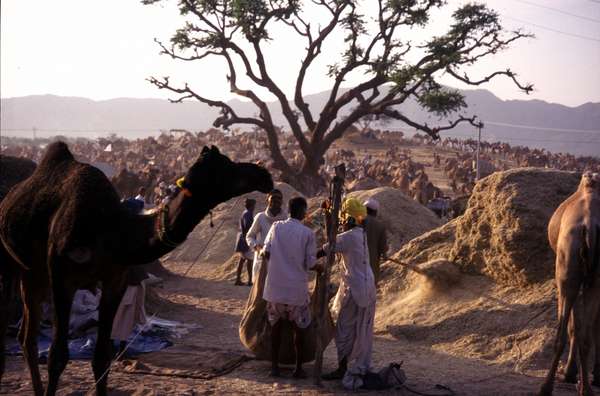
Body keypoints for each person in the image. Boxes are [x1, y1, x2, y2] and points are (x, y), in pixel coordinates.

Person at [262, 197, 321, 378]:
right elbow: (310, 263)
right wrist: (321, 267)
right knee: (299, 331)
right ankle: (298, 369)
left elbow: (266, 251)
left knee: (276, 330)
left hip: (275, 290)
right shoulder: (308, 234)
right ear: (303, 211)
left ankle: (274, 367)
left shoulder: (276, 227)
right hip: (296, 292)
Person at [320, 198, 376, 382]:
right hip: (367, 288)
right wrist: (329, 216)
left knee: (344, 330)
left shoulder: (349, 237)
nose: (342, 223)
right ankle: (358, 365)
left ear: (350, 220)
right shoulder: (361, 234)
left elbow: (326, 248)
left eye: (344, 219)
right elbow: (334, 238)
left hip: (355, 289)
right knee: (362, 330)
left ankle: (342, 368)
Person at [246, 189, 286, 282]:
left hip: (279, 263)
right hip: (262, 260)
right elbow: (249, 236)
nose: (276, 200)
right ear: (267, 199)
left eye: (279, 198)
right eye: (273, 198)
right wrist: (258, 248)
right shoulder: (261, 217)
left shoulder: (285, 219)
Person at [111, 266, 148, 359]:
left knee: (123, 323)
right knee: (120, 323)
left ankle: (119, 350)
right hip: (124, 296)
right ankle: (116, 350)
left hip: (127, 294)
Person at [362, 198, 388, 286]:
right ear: (375, 212)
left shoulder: (357, 221)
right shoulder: (380, 226)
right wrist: (384, 254)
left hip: (357, 259)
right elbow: (383, 247)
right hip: (372, 261)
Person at [234, 198, 256, 286]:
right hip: (246, 239)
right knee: (250, 260)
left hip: (242, 239)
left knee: (242, 259)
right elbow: (248, 227)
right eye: (254, 205)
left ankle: (238, 279)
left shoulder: (244, 212)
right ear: (252, 206)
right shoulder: (248, 214)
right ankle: (250, 281)